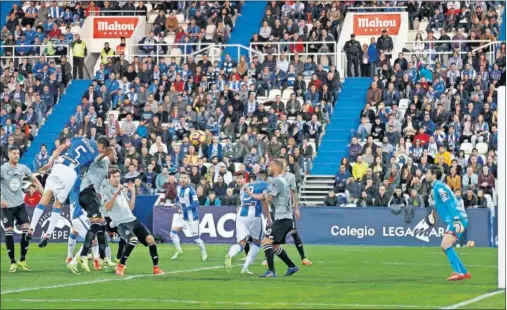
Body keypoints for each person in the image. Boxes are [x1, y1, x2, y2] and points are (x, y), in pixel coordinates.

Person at [27, 136, 110, 248]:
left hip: (58, 165)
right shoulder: (96, 152)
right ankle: (48, 234)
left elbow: (60, 148)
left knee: (44, 200)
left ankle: (31, 229)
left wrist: (50, 162)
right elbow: (95, 162)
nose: (102, 151)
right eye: (103, 149)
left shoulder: (80, 138)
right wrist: (104, 155)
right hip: (71, 172)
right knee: (58, 204)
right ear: (102, 146)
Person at [99, 167, 164, 276]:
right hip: (120, 222)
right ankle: (121, 266)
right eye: (114, 177)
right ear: (109, 178)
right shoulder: (105, 191)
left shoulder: (123, 190)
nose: (116, 179)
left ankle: (156, 268)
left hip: (132, 219)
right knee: (133, 240)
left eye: (118, 176)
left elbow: (131, 207)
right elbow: (107, 207)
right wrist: (116, 193)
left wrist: (133, 191)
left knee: (150, 239)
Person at [246, 159, 299, 278]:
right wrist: (254, 194)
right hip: (285, 218)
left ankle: (271, 271)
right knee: (274, 246)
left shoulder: (277, 181)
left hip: (282, 219)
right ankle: (292, 266)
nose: (268, 168)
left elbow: (268, 199)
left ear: (276, 167)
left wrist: (256, 195)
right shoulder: (280, 181)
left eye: (270, 166)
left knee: (266, 241)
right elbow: (266, 196)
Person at [1, 146, 43, 272]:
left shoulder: (23, 168)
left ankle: (22, 260)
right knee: (9, 231)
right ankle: (12, 262)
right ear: (9, 155)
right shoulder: (3, 169)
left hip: (20, 205)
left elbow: (34, 180)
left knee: (26, 230)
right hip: (7, 206)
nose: (16, 155)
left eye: (18, 153)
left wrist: (45, 193)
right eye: (14, 153)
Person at [426, 165, 471, 281]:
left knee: (446, 245)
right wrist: (434, 212)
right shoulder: (438, 187)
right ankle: (464, 272)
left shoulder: (439, 187)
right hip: (459, 217)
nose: (426, 175)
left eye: (427, 173)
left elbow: (449, 202)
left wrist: (456, 219)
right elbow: (442, 203)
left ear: (434, 175)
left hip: (457, 218)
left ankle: (458, 272)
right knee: (444, 246)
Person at [224, 171, 268, 275]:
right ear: (265, 178)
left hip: (241, 215)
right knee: (257, 242)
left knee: (241, 243)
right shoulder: (265, 184)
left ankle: (230, 254)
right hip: (254, 215)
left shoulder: (244, 187)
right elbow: (265, 198)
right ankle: (245, 267)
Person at [170, 172, 208, 261]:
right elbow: (178, 198)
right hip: (184, 216)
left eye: (185, 178)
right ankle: (179, 250)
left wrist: (184, 209)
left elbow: (196, 203)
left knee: (196, 239)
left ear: (188, 180)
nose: (183, 179)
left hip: (192, 216)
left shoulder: (191, 190)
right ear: (179, 179)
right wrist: (176, 204)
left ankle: (203, 251)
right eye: (181, 177)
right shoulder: (178, 188)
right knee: (172, 233)